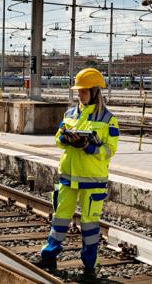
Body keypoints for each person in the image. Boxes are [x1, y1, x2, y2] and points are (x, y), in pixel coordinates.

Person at [33, 68, 119, 281]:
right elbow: (57, 138)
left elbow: (111, 149)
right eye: (78, 91)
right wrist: (63, 138)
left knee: (90, 225)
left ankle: (89, 267)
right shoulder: (70, 114)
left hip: (92, 180)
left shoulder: (109, 119)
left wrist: (92, 148)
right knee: (60, 219)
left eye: (83, 91)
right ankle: (49, 256)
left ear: (95, 92)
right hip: (68, 177)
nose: (79, 95)